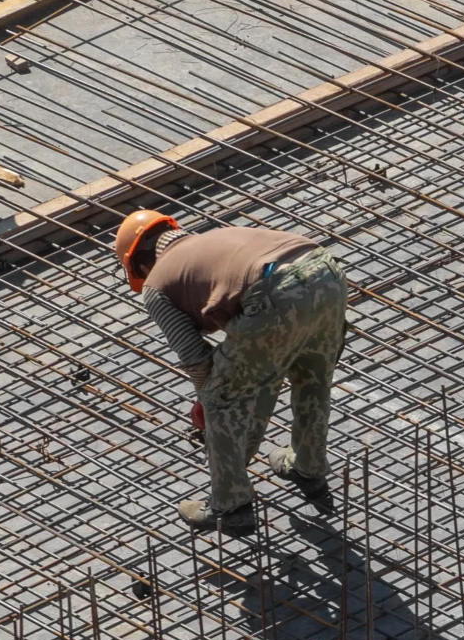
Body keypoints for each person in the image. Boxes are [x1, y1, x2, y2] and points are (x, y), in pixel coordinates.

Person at [114, 209, 347, 537]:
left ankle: (231, 506)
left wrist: (207, 399)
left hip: (276, 291)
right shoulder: (214, 241)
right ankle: (308, 466)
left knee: (218, 397)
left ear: (139, 265)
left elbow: (195, 358)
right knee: (312, 377)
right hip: (325, 271)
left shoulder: (155, 285)